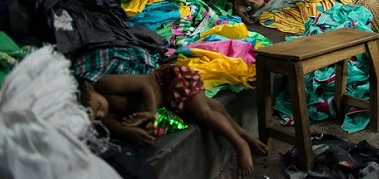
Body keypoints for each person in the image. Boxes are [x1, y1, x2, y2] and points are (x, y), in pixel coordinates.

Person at [78, 64, 268, 178]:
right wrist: (134, 132)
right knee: (212, 108)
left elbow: (145, 88)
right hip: (170, 101)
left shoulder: (104, 85)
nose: (100, 115)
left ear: (89, 88)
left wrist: (151, 114)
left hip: (169, 81)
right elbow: (119, 128)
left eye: (97, 107)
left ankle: (240, 144)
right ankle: (244, 134)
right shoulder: (102, 117)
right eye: (95, 118)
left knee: (203, 112)